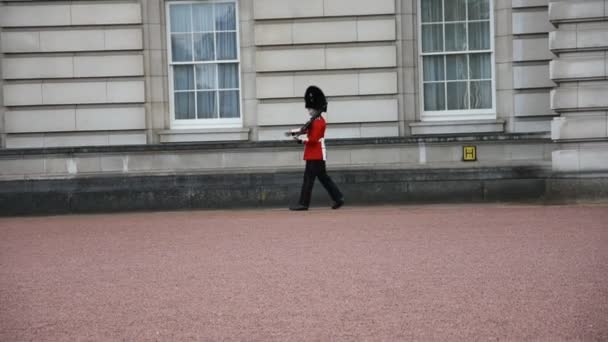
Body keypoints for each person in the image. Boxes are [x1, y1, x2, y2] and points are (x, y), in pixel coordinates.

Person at [289, 86, 344, 211]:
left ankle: (303, 203)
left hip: (316, 154)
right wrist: (293, 132)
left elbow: (313, 139)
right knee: (323, 178)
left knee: (308, 179)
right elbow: (305, 129)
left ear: (317, 108)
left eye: (310, 109)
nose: (309, 111)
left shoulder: (319, 122)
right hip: (314, 154)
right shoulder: (314, 120)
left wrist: (299, 140)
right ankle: (338, 198)